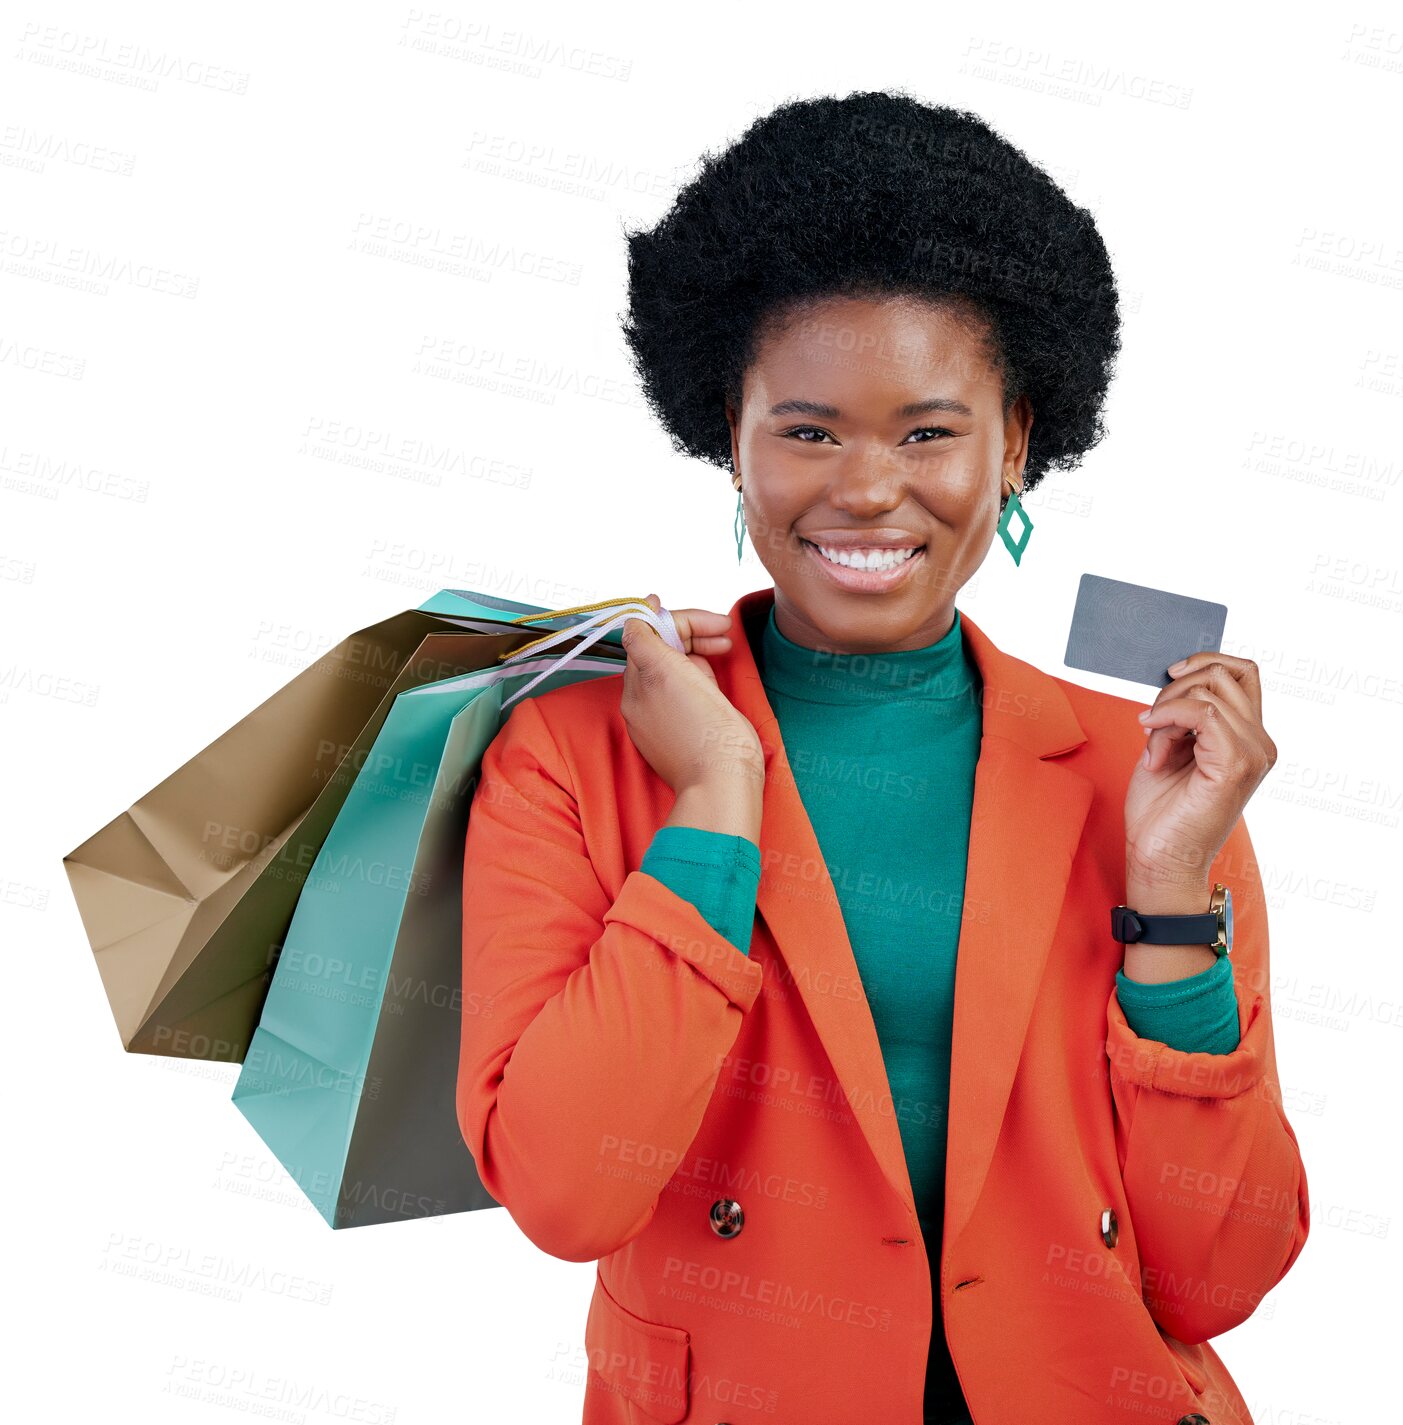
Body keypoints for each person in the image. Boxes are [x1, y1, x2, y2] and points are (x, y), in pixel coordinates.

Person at [458, 90, 1308, 1425]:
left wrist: (1166, 896)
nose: (865, 489)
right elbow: (568, 1195)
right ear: (727, 435)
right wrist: (713, 804)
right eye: (808, 430)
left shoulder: (1146, 776)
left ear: (1015, 442)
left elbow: (1218, 1274)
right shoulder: (570, 752)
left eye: (928, 432)